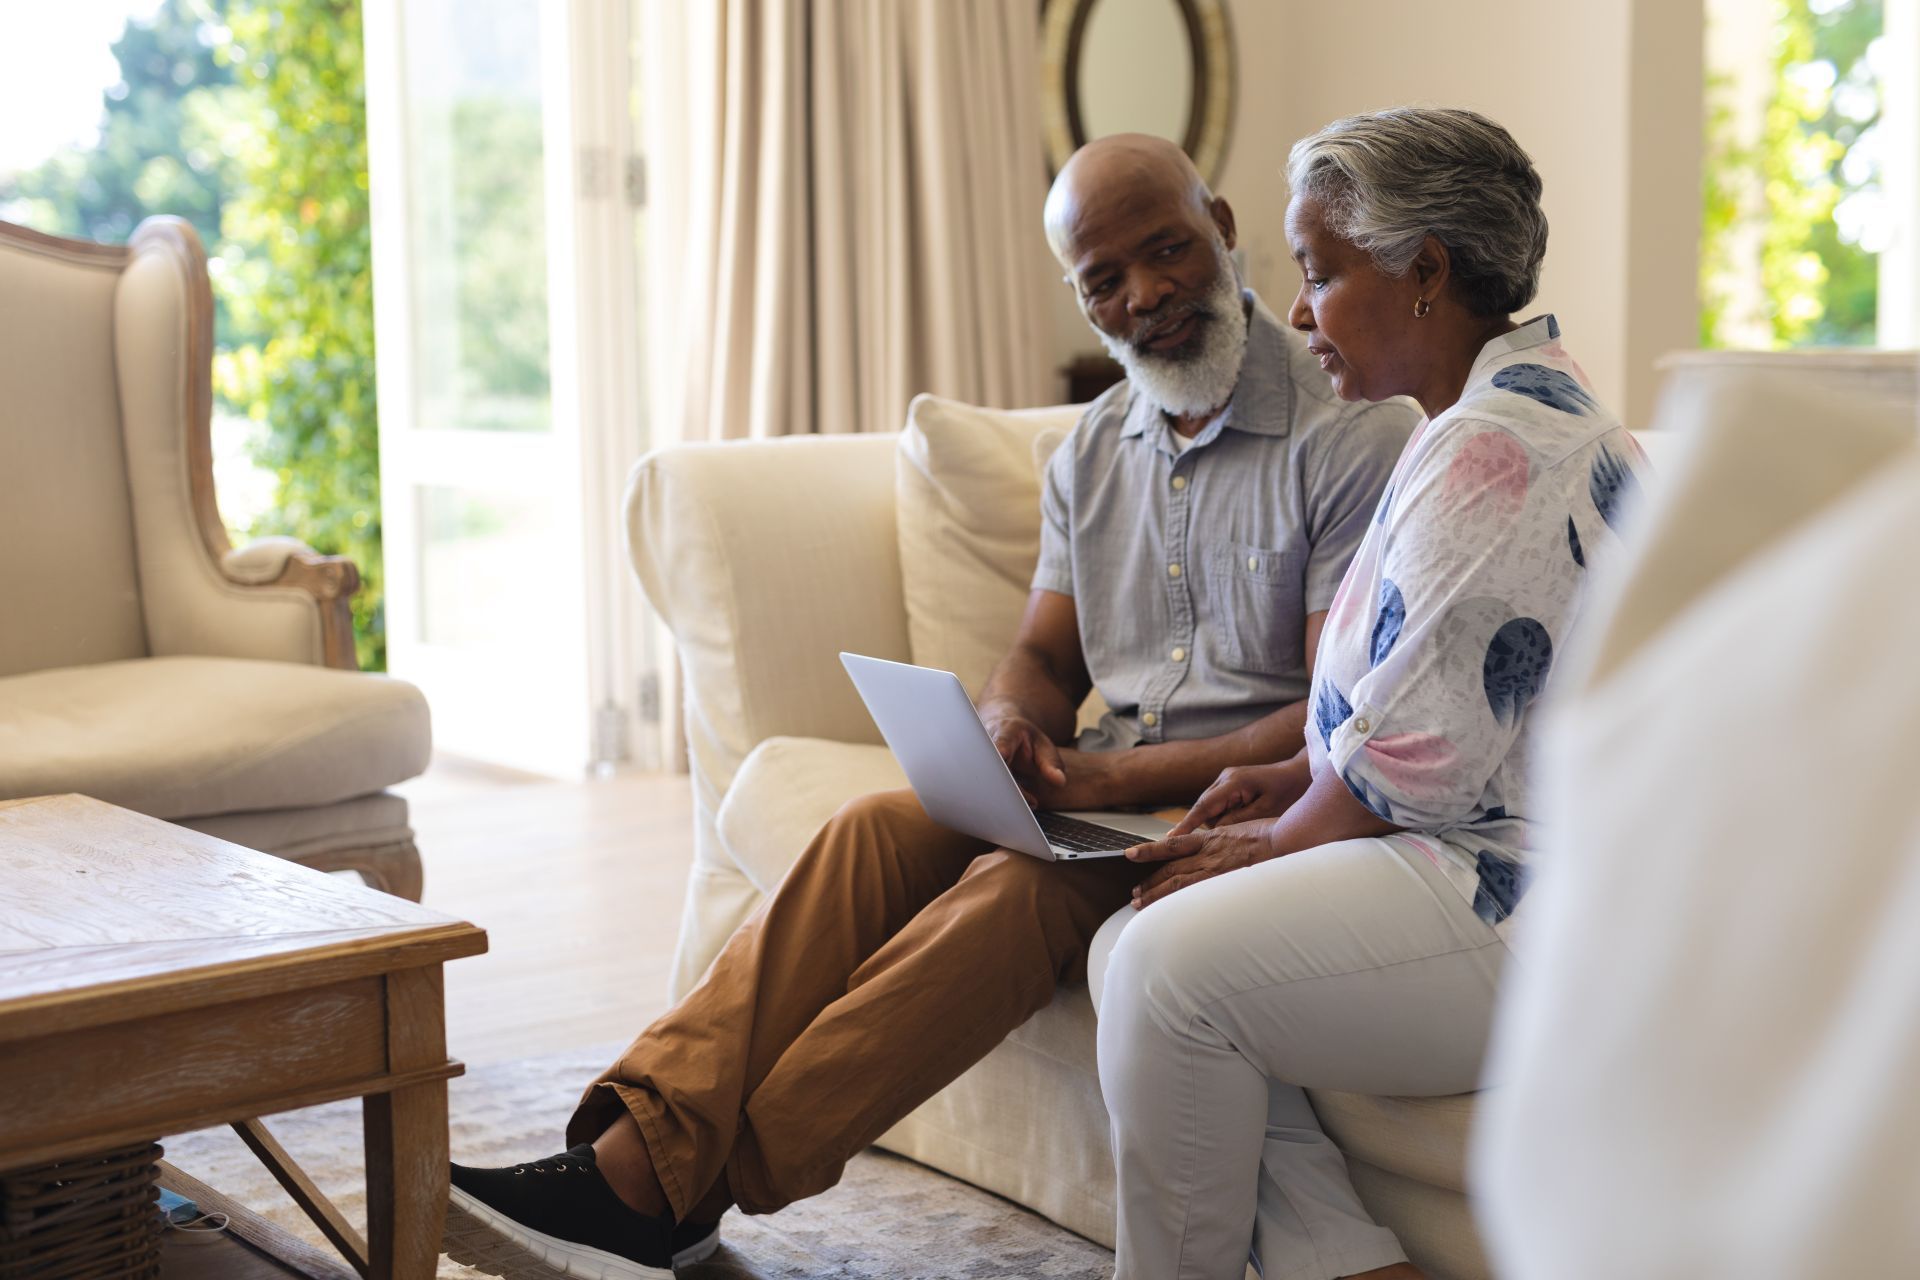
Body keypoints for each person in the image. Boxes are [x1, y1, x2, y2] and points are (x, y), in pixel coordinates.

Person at [440, 133, 1416, 1280]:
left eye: (1167, 252)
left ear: (1222, 222)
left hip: (1236, 815)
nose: (1146, 295)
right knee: (866, 828)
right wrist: (1008, 720)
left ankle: (669, 1182)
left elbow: (1325, 714)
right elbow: (1043, 657)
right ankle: (647, 1152)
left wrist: (1100, 780)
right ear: (1079, 293)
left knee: (1021, 881)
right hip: (1100, 794)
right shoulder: (1091, 453)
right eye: (1104, 278)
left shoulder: (1346, 429)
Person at [1088, 107, 1652, 1280]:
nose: (1297, 313)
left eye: (1321, 273)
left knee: (1162, 967)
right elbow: (1438, 701)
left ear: (1425, 273)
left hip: (1530, 896)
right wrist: (1295, 774)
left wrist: (1278, 839)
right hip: (1473, 849)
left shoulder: (1498, 447)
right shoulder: (1481, 420)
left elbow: (1416, 764)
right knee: (1133, 943)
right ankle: (1344, 1264)